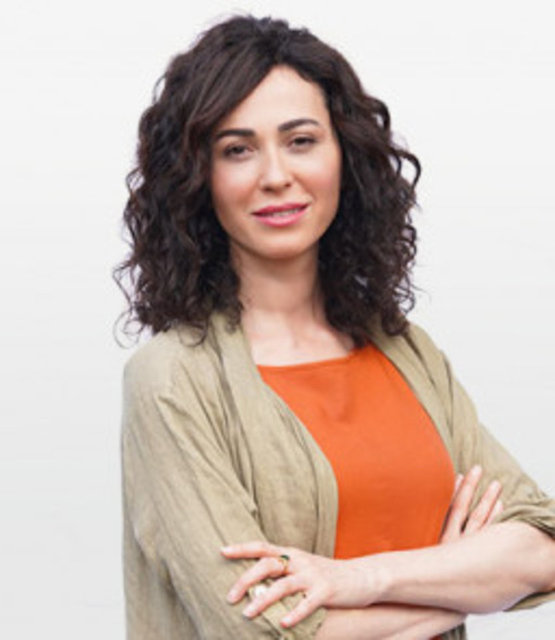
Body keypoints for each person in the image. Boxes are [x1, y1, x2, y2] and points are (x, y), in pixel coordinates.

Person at [115, 15, 555, 640]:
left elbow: (541, 547)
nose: (275, 175)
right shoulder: (173, 380)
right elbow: (263, 630)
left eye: (301, 140)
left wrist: (361, 580)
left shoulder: (406, 352)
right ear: (197, 176)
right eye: (238, 149)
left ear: (345, 156)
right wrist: (462, 591)